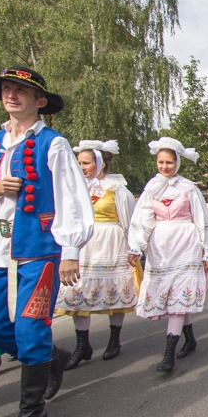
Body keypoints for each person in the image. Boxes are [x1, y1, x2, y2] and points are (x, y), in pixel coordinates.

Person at [0, 66, 94, 417]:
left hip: (40, 248)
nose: (11, 95)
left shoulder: (52, 144)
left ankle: (32, 408)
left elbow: (71, 200)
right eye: (7, 89)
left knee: (29, 327)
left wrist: (70, 252)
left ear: (39, 101)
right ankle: (51, 358)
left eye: (20, 90)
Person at [128, 137, 208, 373]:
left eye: (169, 162)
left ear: (177, 162)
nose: (165, 166)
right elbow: (142, 219)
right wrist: (136, 247)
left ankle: (168, 354)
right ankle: (190, 339)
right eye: (161, 162)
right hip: (161, 247)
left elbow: (202, 220)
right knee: (172, 296)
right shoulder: (151, 189)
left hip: (186, 243)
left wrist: (207, 250)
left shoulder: (188, 188)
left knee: (178, 297)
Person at [55, 140, 141, 368]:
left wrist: (134, 248)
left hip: (112, 244)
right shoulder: (75, 189)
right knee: (78, 290)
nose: (81, 167)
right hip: (83, 245)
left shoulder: (118, 190)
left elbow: (131, 222)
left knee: (114, 290)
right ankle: (82, 344)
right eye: (79, 163)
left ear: (100, 164)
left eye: (86, 163)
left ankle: (114, 339)